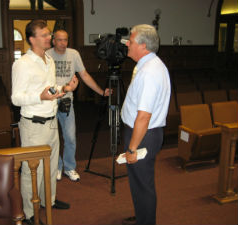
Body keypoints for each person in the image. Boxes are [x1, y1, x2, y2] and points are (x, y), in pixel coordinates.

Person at [11, 20, 78, 224]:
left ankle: (48, 200)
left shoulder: (48, 60)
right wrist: (39, 96)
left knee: (49, 167)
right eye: (45, 34)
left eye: (49, 34)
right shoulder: (22, 63)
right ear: (32, 39)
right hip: (33, 125)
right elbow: (16, 98)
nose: (49, 37)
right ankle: (30, 213)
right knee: (32, 170)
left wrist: (65, 88)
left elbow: (50, 89)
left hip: (51, 122)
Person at [121, 24, 171, 225]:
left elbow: (143, 116)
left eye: (131, 41)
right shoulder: (148, 64)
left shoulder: (149, 72)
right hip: (143, 133)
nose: (127, 44)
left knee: (143, 184)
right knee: (138, 182)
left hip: (143, 135)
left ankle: (146, 221)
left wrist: (132, 148)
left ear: (142, 45)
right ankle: (143, 216)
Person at [46, 30, 110, 182]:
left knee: (70, 137)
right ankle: (56, 166)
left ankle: (69, 167)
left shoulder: (74, 54)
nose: (63, 43)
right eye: (60, 40)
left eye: (65, 40)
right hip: (50, 101)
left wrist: (101, 91)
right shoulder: (46, 55)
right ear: (53, 41)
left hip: (67, 101)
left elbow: (85, 75)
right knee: (52, 139)